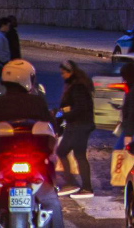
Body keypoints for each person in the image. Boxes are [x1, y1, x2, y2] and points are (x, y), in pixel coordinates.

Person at [0, 59, 59, 225]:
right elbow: (52, 126)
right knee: (52, 196)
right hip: (33, 160)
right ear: (28, 79)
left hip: (0, 161)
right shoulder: (38, 102)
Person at [55, 61, 95, 198]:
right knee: (69, 152)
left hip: (79, 125)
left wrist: (62, 115)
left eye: (63, 73)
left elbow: (79, 109)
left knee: (75, 154)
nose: (62, 76)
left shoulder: (77, 87)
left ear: (70, 72)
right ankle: (76, 183)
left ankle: (81, 185)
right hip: (77, 125)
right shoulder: (75, 85)